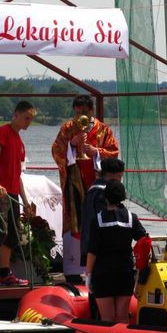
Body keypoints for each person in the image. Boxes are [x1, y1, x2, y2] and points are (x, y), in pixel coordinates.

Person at [51, 94, 119, 281]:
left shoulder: (103, 130)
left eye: (84, 111)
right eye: (77, 111)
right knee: (75, 221)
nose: (80, 114)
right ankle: (73, 269)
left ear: (91, 111)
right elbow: (56, 150)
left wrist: (96, 152)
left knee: (97, 220)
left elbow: (114, 152)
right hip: (73, 183)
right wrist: (71, 146)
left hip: (97, 183)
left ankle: (98, 265)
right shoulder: (67, 129)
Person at [0, 100, 36, 287]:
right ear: (16, 115)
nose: (28, 122)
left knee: (12, 234)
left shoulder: (19, 142)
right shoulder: (1, 133)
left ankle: (5, 273)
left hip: (12, 192)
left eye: (31, 119)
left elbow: (18, 174)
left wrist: (26, 201)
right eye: (26, 118)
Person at [85, 179, 148, 323]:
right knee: (122, 317)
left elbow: (92, 250)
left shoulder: (98, 219)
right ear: (123, 196)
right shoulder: (132, 218)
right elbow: (143, 240)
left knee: (107, 318)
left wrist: (88, 274)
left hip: (103, 273)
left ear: (105, 197)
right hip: (125, 272)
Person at [79, 157, 125, 267]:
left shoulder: (92, 190)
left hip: (90, 244)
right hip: (101, 248)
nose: (120, 180)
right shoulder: (103, 193)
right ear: (111, 175)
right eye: (119, 176)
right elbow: (106, 219)